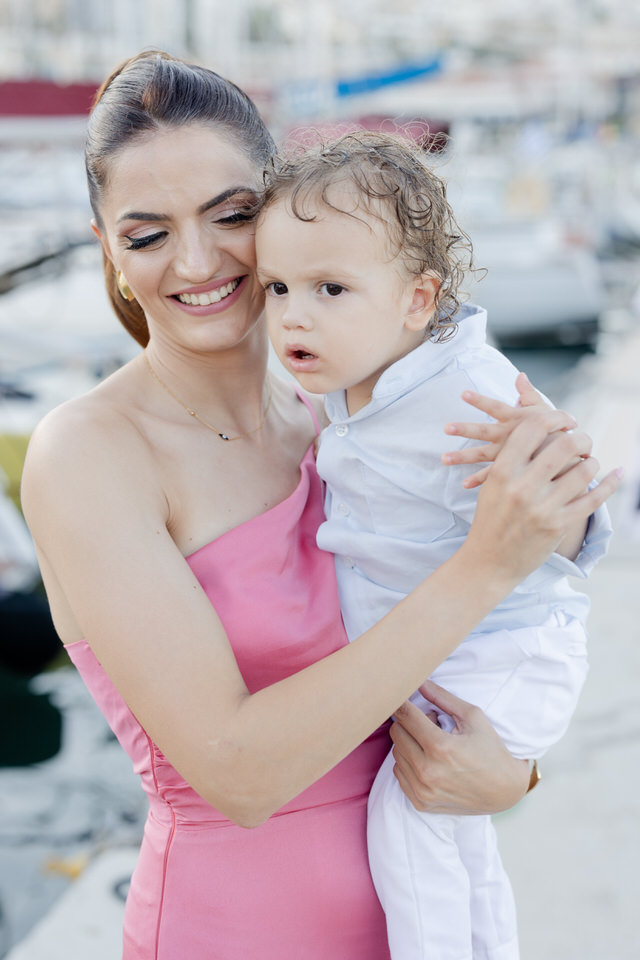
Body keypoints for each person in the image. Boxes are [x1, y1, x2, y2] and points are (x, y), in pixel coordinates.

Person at [19, 53, 617, 960]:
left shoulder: (345, 409)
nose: (197, 261)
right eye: (147, 235)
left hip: (412, 914)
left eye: (230, 216)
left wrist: (510, 775)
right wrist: (484, 567)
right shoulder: (88, 453)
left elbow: (477, 644)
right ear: (107, 246)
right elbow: (237, 774)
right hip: (231, 930)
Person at [256, 130, 613, 960]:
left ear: (418, 301)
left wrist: (552, 471)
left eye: (330, 288)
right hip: (450, 656)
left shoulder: (466, 401)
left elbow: (560, 524)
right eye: (277, 287)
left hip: (504, 653)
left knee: (410, 819)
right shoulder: (355, 380)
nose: (294, 313)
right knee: (458, 845)